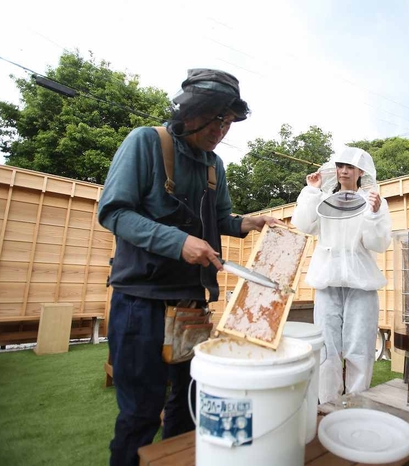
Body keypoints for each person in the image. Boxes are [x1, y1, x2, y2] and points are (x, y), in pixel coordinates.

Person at [98, 68, 283, 466]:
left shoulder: (215, 165)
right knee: (140, 414)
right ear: (190, 110)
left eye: (229, 121)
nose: (222, 129)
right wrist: (179, 243)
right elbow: (113, 212)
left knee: (186, 409)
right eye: (216, 117)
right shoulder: (145, 142)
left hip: (191, 308)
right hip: (141, 305)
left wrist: (245, 223)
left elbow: (219, 220)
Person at [291, 147, 392, 404]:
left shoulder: (373, 200)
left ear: (360, 171)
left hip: (362, 281)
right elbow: (303, 225)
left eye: (349, 167)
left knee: (360, 344)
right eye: (340, 165)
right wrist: (312, 190)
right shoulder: (323, 199)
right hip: (326, 279)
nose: (344, 170)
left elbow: (377, 243)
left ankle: (357, 402)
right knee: (326, 345)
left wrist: (375, 213)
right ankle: (327, 403)